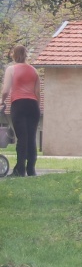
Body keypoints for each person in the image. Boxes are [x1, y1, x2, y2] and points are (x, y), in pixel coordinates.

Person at [1, 45, 40, 177]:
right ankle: (31, 169)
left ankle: (19, 169)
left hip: (19, 104)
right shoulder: (34, 71)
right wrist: (36, 107)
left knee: (22, 138)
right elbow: (37, 93)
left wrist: (2, 101)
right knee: (31, 137)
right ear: (26, 55)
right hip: (33, 106)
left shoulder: (11, 69)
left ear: (13, 55)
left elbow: (6, 90)